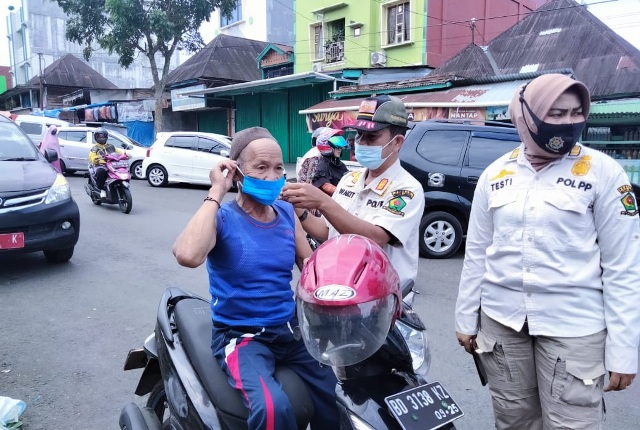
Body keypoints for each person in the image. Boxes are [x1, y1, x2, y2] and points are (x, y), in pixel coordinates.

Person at [454, 73, 640, 429]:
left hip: (574, 327)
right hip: (502, 321)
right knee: (513, 419)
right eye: (555, 113)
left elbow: (624, 266)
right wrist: (466, 319)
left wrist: (623, 350)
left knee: (572, 423)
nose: (569, 123)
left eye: (576, 113)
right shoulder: (496, 174)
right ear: (526, 115)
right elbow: (476, 251)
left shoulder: (603, 172)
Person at [172, 126, 339, 430]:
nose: (271, 176)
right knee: (272, 409)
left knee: (336, 397)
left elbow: (309, 265)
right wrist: (216, 191)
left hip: (290, 329)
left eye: (277, 168)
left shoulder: (287, 212)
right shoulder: (222, 218)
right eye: (260, 167)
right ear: (236, 171)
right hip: (241, 336)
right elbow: (187, 254)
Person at [282, 95, 425, 286]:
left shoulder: (406, 188)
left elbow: (375, 238)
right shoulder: (350, 179)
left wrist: (323, 202)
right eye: (359, 135)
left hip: (383, 296)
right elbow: (326, 231)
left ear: (397, 142)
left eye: (371, 137)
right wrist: (298, 207)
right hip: (343, 288)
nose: (361, 143)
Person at [311, 127, 349, 196]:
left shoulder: (340, 165)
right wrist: (346, 194)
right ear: (326, 146)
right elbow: (326, 187)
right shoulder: (322, 166)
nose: (340, 149)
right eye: (337, 147)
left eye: (340, 147)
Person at [88, 127, 123, 198]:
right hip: (100, 165)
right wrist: (96, 159)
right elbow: (92, 157)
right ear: (96, 137)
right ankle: (102, 189)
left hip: (112, 165)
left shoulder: (111, 146)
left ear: (106, 137)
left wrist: (126, 155)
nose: (101, 138)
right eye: (99, 136)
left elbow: (120, 153)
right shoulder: (95, 148)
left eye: (103, 136)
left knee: (121, 170)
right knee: (101, 172)